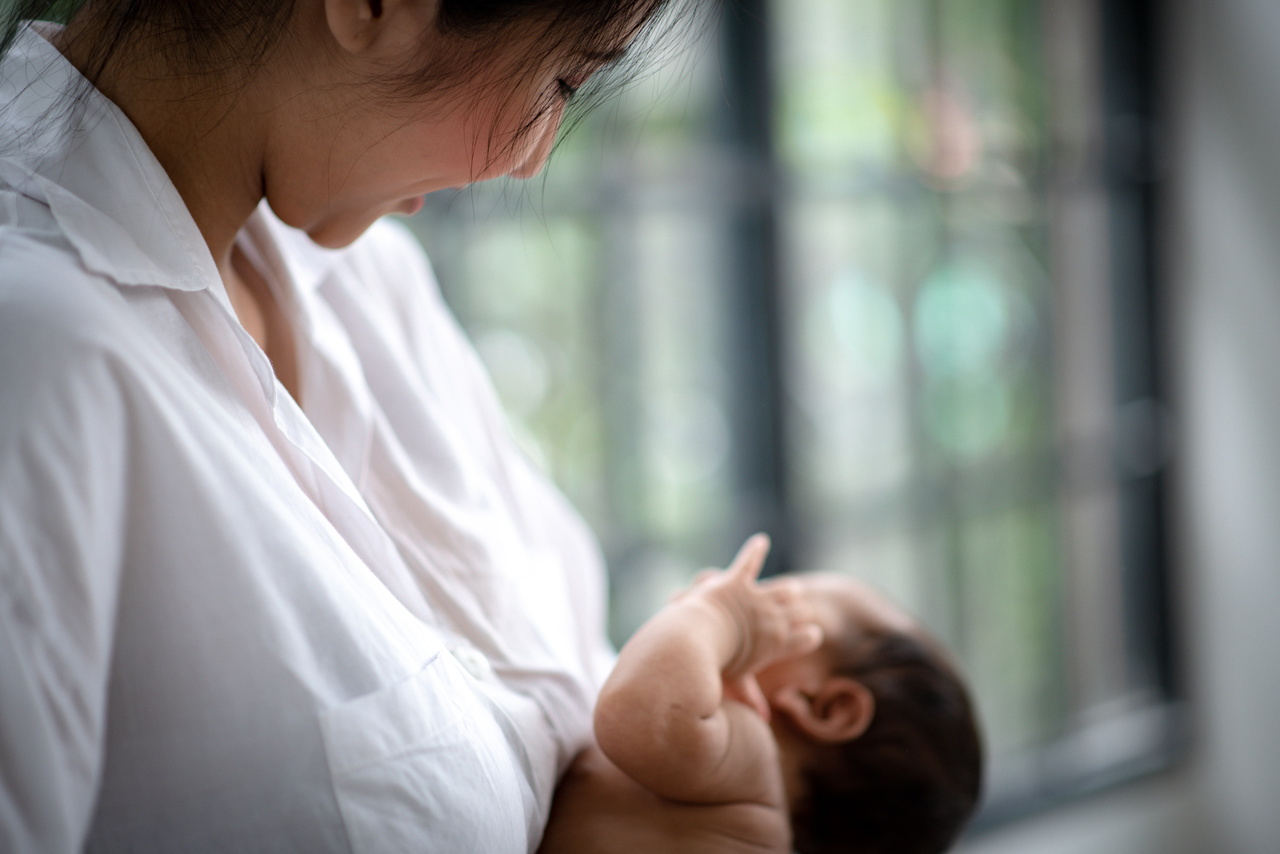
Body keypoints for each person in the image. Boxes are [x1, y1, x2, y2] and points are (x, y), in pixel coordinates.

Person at [0, 0, 689, 851]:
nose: (532, 158)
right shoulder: (35, 355)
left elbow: (578, 681)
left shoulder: (373, 286)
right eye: (561, 80)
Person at [538, 534, 984, 854]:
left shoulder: (749, 761)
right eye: (755, 604)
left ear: (825, 707)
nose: (749, 600)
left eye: (781, 606)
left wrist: (719, 615)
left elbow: (633, 715)